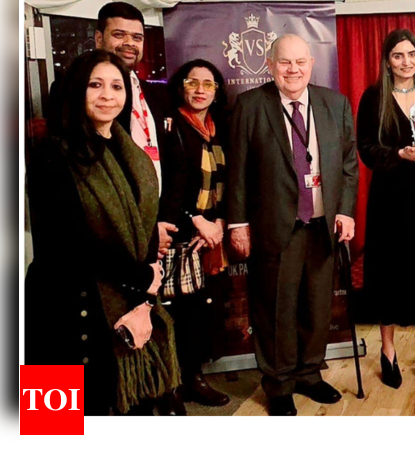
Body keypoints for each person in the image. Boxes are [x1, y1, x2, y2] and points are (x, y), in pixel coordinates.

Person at [26, 49, 181, 415]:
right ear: (76, 90)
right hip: (64, 310)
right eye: (95, 85)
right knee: (55, 428)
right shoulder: (52, 153)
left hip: (128, 304)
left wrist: (144, 300)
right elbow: (69, 243)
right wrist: (144, 278)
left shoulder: (131, 154)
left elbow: (141, 231)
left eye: (117, 86)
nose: (108, 95)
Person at [226, 34, 358, 416]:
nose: (293, 69)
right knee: (276, 309)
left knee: (317, 307)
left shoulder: (335, 104)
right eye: (285, 62)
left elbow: (349, 164)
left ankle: (309, 374)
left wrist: (345, 210)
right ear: (270, 65)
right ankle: (279, 383)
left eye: (300, 61)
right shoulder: (251, 106)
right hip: (275, 226)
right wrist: (238, 223)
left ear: (311, 64)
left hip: (322, 226)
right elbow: (237, 170)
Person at [356, 29, 415, 388]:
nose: (406, 61)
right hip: (389, 196)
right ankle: (388, 350)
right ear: (387, 60)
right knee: (388, 273)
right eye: (398, 55)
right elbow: (365, 148)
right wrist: (398, 154)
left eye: (412, 54)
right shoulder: (372, 97)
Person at [158, 59, 232, 408]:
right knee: (174, 314)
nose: (200, 89)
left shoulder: (222, 128)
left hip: (211, 236)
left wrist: (218, 221)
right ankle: (169, 384)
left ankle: (194, 378)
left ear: (217, 91)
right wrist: (193, 220)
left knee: (204, 311)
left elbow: (230, 182)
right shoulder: (168, 126)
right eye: (193, 82)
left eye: (208, 83)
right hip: (176, 233)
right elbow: (161, 187)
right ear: (181, 86)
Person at [92, 2, 180, 257]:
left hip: (161, 227)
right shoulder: (80, 92)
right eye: (119, 35)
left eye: (137, 37)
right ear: (99, 38)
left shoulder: (157, 94)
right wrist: (147, 232)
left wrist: (163, 222)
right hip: (115, 237)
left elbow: (176, 162)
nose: (129, 43)